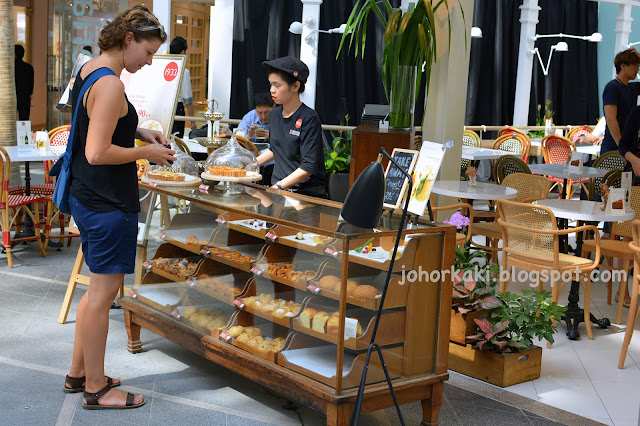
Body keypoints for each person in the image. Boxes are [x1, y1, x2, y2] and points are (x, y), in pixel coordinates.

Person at [64, 6, 174, 410]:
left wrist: (136, 127)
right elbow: (96, 151)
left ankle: (79, 374)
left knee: (95, 292)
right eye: (147, 52)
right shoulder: (111, 85)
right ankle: (97, 388)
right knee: (102, 295)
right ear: (128, 41)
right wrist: (145, 150)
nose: (149, 62)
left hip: (87, 197)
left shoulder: (90, 68)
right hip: (107, 202)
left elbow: (98, 122)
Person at [256, 56, 326, 198]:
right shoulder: (274, 115)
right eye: (271, 85)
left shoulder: (309, 118)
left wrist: (279, 186)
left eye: (277, 85)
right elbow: (276, 149)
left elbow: (308, 167)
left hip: (304, 194)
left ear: (295, 86)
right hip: (279, 190)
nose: (272, 90)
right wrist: (250, 164)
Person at [601, 48, 640, 155]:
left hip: (629, 147)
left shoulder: (633, 88)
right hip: (614, 148)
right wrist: (622, 147)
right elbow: (611, 120)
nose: (637, 69)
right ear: (623, 66)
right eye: (635, 65)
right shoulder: (612, 87)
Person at [169, 36, 196, 138]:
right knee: (176, 141)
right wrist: (193, 121)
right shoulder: (184, 71)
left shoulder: (164, 67)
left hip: (164, 108)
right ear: (182, 52)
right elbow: (188, 99)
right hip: (177, 108)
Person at [15, 44, 34, 120]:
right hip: (25, 97)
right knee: (24, 122)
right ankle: (23, 132)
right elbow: (31, 86)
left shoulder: (10, 68)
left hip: (14, 96)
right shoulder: (29, 67)